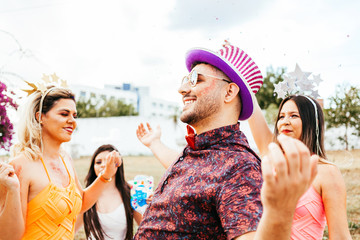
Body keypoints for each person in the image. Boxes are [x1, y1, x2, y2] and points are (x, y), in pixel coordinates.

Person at [133, 41, 318, 239]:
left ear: (229, 92)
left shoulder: (240, 167)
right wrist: (154, 143)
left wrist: (280, 211)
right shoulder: (197, 152)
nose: (182, 88)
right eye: (185, 79)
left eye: (196, 79)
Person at [0, 79, 121, 240]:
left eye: (74, 115)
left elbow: (82, 203)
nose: (72, 120)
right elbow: (9, 236)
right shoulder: (20, 166)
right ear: (40, 117)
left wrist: (105, 175)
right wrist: (13, 190)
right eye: (64, 114)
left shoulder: (66, 159)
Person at [248, 94, 352, 239]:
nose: (285, 122)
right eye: (281, 116)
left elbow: (340, 236)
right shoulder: (272, 156)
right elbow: (253, 109)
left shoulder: (327, 172)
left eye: (293, 116)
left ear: (312, 122)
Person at [76, 144, 143, 240]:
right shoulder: (88, 195)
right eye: (98, 162)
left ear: (118, 164)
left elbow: (145, 227)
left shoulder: (130, 192)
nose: (103, 165)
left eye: (108, 161)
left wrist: (148, 206)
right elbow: (71, 229)